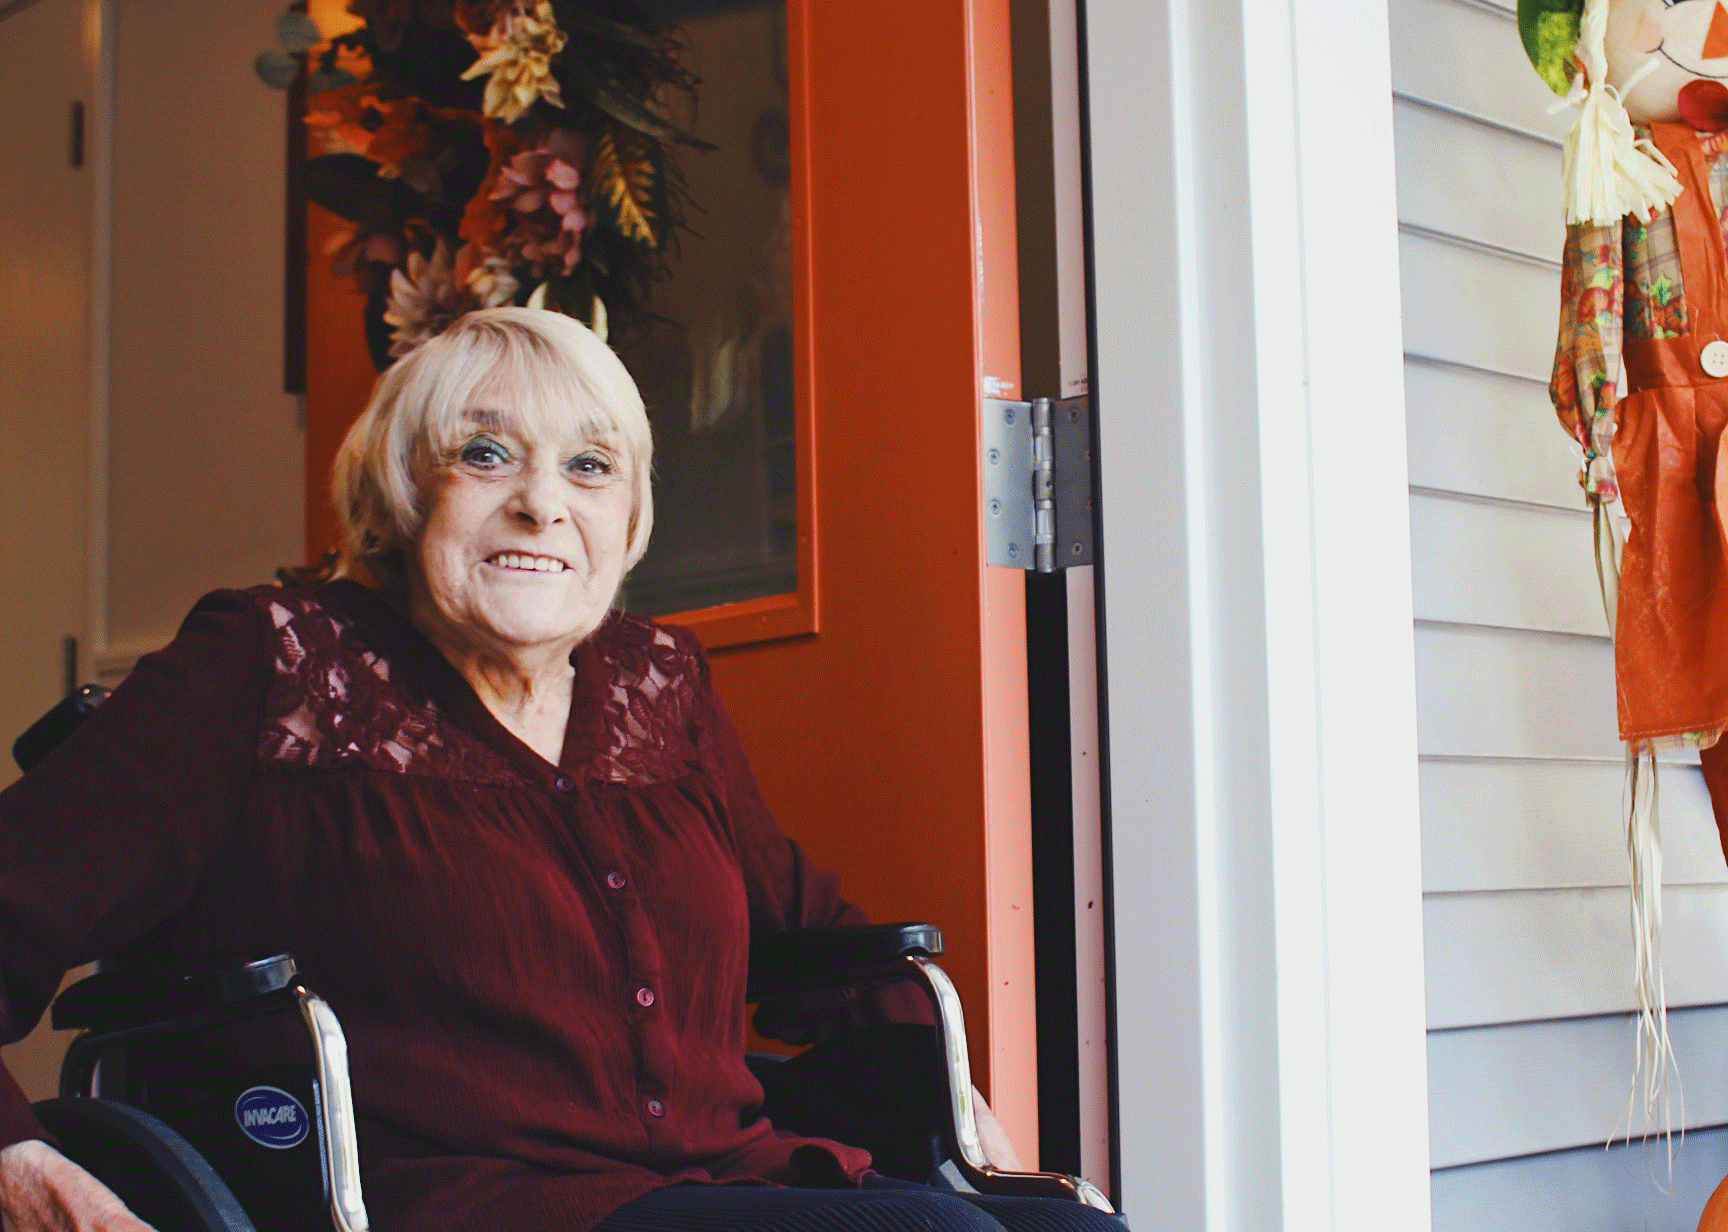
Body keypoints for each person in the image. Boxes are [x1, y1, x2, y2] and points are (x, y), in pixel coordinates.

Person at [0, 309, 1119, 1232]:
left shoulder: (655, 681)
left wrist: (958, 1099)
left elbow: (799, 920)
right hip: (451, 1203)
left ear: (628, 516)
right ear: (400, 490)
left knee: (1072, 1226)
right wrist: (27, 1168)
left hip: (723, 1178)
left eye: (590, 465)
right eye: (485, 454)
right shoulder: (273, 662)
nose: (543, 500)